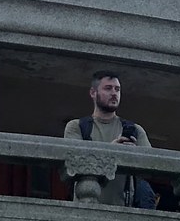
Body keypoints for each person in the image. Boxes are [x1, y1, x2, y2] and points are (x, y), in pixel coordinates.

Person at [64, 70, 155, 208]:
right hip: (86, 207)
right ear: (93, 93)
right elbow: (74, 165)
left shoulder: (135, 130)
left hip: (124, 210)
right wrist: (110, 151)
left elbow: (152, 167)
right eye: (108, 88)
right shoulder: (77, 127)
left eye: (117, 89)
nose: (114, 93)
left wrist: (136, 156)